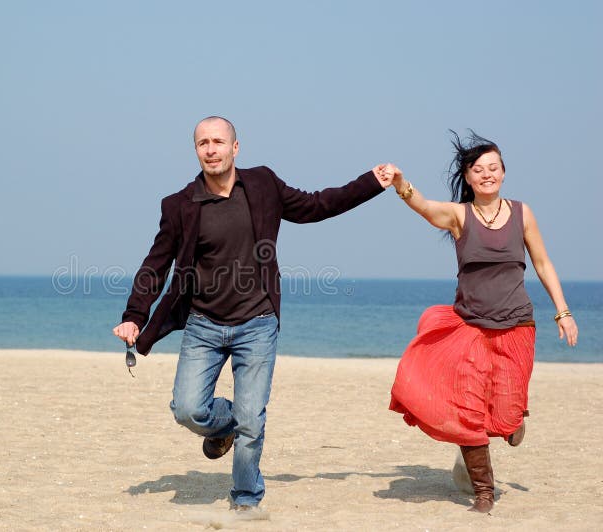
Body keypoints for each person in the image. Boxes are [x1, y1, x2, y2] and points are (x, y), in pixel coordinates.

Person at [112, 116, 393, 516]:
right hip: (204, 325)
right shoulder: (179, 205)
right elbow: (156, 265)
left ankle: (246, 500)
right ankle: (226, 425)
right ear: (196, 150)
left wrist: (370, 182)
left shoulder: (262, 185)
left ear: (235, 148)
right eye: (203, 143)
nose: (211, 149)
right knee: (187, 409)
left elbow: (316, 206)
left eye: (218, 142)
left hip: (258, 323)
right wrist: (135, 315)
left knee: (253, 420)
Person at [385, 131, 579, 514]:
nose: (486, 174)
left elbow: (542, 263)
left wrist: (564, 311)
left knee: (505, 416)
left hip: (517, 328)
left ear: (503, 173)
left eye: (493, 168)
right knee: (469, 412)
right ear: (469, 178)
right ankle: (483, 493)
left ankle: (512, 420)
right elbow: (424, 207)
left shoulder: (523, 214)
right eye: (478, 170)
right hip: (470, 329)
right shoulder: (460, 216)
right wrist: (402, 184)